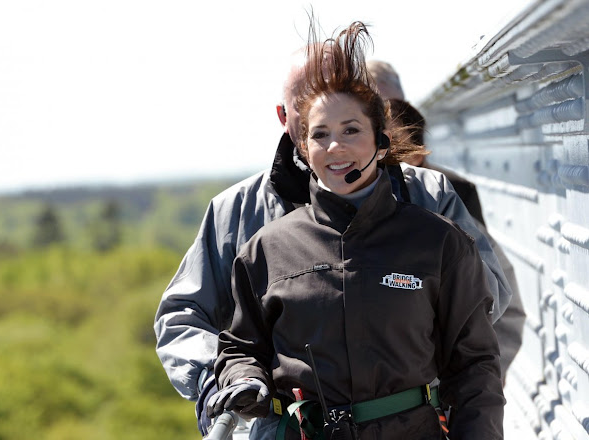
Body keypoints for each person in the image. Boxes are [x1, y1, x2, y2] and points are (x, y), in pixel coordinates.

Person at [154, 35, 512, 439]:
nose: (336, 144)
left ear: (379, 126)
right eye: (318, 128)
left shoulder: (431, 201)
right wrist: (225, 386)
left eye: (350, 125)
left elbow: (480, 325)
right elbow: (191, 320)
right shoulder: (242, 220)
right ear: (289, 120)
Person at [367, 60, 526, 383]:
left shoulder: (449, 190)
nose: (388, 119)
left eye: (396, 108)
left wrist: (474, 395)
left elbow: (497, 300)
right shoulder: (327, 193)